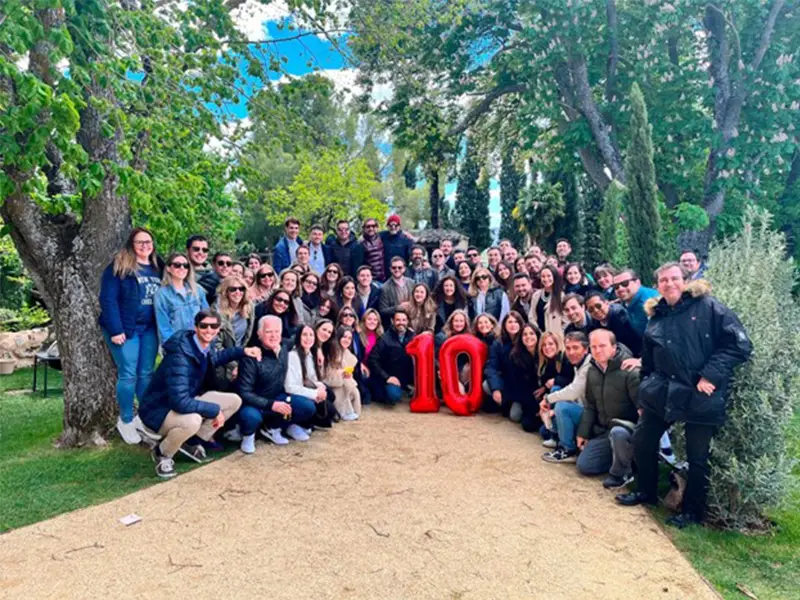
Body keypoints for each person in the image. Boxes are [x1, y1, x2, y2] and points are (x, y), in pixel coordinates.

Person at [616, 263, 752, 528]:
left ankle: (692, 511)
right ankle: (646, 492)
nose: (670, 283)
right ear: (657, 286)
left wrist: (711, 375)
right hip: (663, 392)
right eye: (664, 280)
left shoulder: (709, 307)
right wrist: (645, 397)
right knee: (643, 439)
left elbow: (739, 344)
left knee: (697, 456)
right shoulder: (656, 316)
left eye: (674, 278)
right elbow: (649, 361)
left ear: (685, 280)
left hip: (699, 393)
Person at [139, 310, 257, 477]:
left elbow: (215, 359)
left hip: (185, 400)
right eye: (204, 326)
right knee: (192, 420)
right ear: (196, 327)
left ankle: (190, 442)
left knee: (234, 401)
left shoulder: (202, 347)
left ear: (219, 328)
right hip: (158, 411)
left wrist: (243, 352)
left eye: (214, 326)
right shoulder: (179, 356)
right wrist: (214, 411)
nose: (209, 330)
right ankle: (162, 453)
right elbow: (180, 402)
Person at [99, 227, 162, 444]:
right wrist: (116, 330)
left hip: (149, 329)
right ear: (131, 245)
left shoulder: (157, 266)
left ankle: (145, 417)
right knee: (128, 374)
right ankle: (125, 420)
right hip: (126, 329)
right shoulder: (119, 267)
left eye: (148, 241)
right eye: (139, 242)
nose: (145, 246)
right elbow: (108, 299)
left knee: (146, 373)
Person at [237, 315, 317, 449]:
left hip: (278, 397)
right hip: (255, 402)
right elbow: (244, 392)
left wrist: (318, 350)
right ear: (259, 333)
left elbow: (302, 341)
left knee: (307, 407)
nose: (274, 336)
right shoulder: (252, 356)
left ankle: (274, 428)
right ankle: (248, 435)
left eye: (277, 331)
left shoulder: (284, 346)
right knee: (250, 417)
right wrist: (271, 404)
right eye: (268, 332)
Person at [575, 329, 640, 488]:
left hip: (627, 430)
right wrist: (583, 432)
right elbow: (590, 405)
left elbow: (643, 410)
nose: (598, 350)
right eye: (594, 347)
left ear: (613, 346)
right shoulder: (592, 371)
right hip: (605, 430)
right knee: (585, 466)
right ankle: (619, 456)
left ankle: (623, 472)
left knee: (618, 433)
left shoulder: (630, 371)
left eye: (602, 346)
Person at [541, 332, 591, 463]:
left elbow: (574, 391)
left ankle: (568, 449)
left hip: (592, 414)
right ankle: (559, 439)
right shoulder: (579, 364)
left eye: (576, 348)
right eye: (568, 348)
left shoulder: (588, 365)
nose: (571, 352)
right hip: (585, 408)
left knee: (562, 406)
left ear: (585, 349)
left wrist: (548, 399)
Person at [283, 325, 332, 437]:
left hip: (303, 389)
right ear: (298, 337)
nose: (308, 338)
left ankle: (305, 423)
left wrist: (320, 387)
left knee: (329, 400)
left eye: (311, 335)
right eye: (304, 335)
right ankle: (290, 425)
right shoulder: (292, 356)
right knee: (308, 407)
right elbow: (289, 387)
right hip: (290, 394)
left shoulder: (309, 354)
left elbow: (312, 377)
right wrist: (315, 394)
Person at [155, 252, 209, 346]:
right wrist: (174, 347)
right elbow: (164, 327)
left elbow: (207, 317)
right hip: (177, 345)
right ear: (168, 268)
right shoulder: (161, 294)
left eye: (185, 265)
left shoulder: (198, 290)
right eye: (177, 265)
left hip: (199, 343)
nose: (182, 268)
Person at [213, 276, 256, 390]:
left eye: (241, 289)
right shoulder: (217, 312)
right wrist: (234, 365)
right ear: (226, 291)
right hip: (224, 358)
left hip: (241, 355)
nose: (238, 292)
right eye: (233, 289)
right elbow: (216, 346)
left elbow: (248, 338)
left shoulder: (249, 307)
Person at [367, 308, 415, 405]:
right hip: (389, 377)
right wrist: (387, 377)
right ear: (392, 321)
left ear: (408, 322)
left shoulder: (413, 337)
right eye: (398, 320)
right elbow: (372, 359)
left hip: (406, 377)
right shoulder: (385, 338)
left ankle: (404, 388)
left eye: (404, 320)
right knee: (393, 397)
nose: (401, 323)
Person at [484, 311, 526, 421]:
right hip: (506, 382)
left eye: (516, 322)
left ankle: (511, 403)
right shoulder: (498, 343)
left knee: (515, 417)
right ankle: (506, 403)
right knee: (486, 385)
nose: (513, 324)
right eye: (510, 322)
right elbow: (491, 367)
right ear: (504, 325)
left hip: (522, 385)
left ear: (521, 324)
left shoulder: (526, 340)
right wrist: (496, 388)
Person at [584, 290, 643, 356]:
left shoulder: (620, 316)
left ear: (606, 303)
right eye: (591, 309)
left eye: (598, 306)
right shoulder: (595, 324)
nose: (596, 310)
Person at [322, 327, 362, 421]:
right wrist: (341, 373)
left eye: (349, 338)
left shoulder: (349, 355)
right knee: (342, 387)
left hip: (342, 380)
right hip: (330, 381)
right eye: (344, 337)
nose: (347, 340)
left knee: (354, 389)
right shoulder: (331, 351)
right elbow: (327, 373)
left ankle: (352, 410)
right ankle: (342, 412)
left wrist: (347, 375)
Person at [512, 323, 543, 433]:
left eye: (531, 333)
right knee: (524, 422)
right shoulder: (516, 356)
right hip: (527, 395)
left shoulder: (545, 352)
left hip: (544, 392)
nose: (528, 336)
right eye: (524, 334)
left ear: (537, 335)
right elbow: (519, 385)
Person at [613, 268, 658, 337]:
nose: (620, 289)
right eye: (616, 286)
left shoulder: (650, 302)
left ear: (637, 282)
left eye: (625, 283)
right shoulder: (628, 301)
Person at [529, 265, 567, 334]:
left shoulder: (561, 296)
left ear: (554, 277)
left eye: (549, 276)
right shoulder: (536, 295)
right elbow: (532, 316)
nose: (546, 279)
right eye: (543, 276)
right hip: (539, 335)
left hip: (555, 336)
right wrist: (537, 331)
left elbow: (566, 319)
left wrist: (559, 333)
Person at [378, 256, 415, 326]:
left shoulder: (412, 283)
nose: (397, 269)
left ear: (404, 268)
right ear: (390, 269)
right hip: (395, 324)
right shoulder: (385, 287)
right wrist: (399, 307)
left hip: (412, 321)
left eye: (400, 267)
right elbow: (382, 310)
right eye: (394, 267)